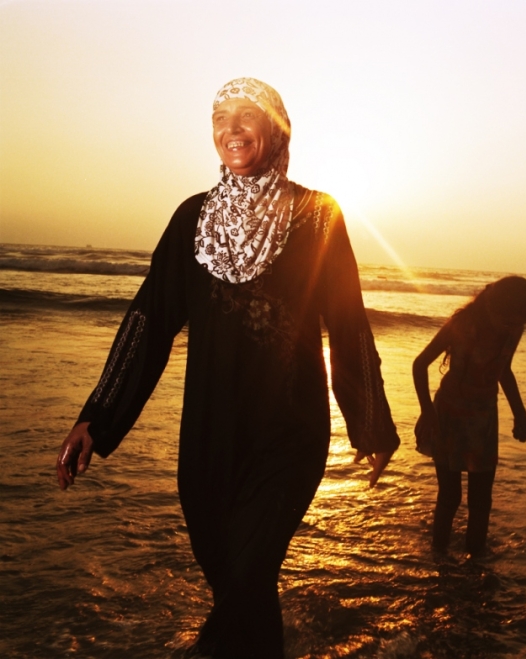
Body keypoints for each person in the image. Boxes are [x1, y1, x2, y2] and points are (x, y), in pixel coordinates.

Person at [55, 78, 399, 658]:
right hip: (208, 442)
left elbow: (348, 324)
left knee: (245, 574)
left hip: (288, 438)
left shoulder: (317, 217)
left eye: (247, 115)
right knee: (238, 585)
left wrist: (369, 423)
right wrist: (97, 416)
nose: (231, 129)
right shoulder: (192, 218)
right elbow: (149, 320)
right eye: (220, 118)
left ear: (276, 129)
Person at [412, 276, 526, 556]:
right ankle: (439, 554)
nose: (513, 328)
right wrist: (427, 412)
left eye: (520, 322)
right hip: (449, 416)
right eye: (508, 321)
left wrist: (520, 414)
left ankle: (476, 559)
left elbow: (504, 369)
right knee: (450, 495)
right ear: (492, 307)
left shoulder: (514, 328)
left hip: (484, 418)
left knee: (482, 499)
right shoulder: (462, 325)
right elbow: (420, 364)